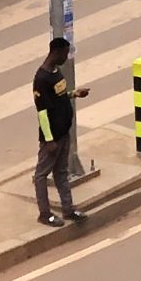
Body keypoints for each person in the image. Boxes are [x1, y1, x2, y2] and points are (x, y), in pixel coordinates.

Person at [30, 35, 87, 227]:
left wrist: (74, 93)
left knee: (61, 172)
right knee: (41, 174)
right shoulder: (41, 78)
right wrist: (49, 139)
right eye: (65, 53)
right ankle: (44, 214)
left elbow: (59, 96)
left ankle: (68, 209)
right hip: (53, 137)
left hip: (64, 132)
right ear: (56, 52)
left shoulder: (56, 71)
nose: (66, 57)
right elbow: (42, 111)